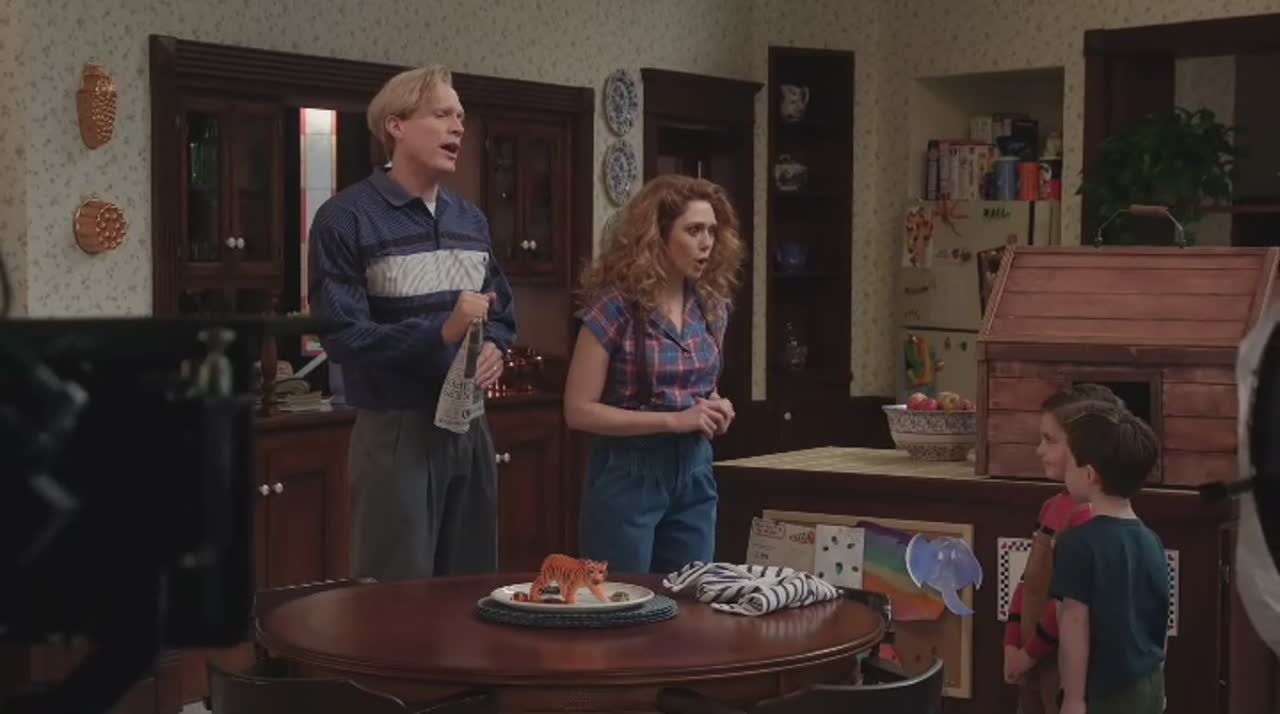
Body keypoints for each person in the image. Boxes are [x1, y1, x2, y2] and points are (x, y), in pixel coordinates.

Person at [307, 64, 516, 581]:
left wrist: (497, 345)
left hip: (471, 425)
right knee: (394, 598)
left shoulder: (471, 220)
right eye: (442, 114)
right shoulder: (346, 217)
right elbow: (342, 336)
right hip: (396, 429)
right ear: (396, 126)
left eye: (460, 117)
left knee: (471, 590)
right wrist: (441, 332)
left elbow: (501, 313)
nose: (458, 127)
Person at [564, 174, 745, 575]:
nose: (706, 243)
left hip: (695, 471)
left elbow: (701, 386)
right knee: (623, 599)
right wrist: (674, 420)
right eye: (693, 230)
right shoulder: (614, 309)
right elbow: (578, 411)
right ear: (656, 237)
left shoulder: (712, 307)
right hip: (629, 473)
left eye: (712, 231)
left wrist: (716, 406)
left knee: (690, 599)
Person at [1004, 384, 1125, 714]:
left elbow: (1068, 606)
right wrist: (1011, 642)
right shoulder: (1051, 507)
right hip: (1032, 663)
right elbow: (1028, 582)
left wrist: (1028, 654)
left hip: (1061, 669)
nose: (1039, 450)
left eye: (1050, 440)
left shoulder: (1087, 517)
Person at [1049, 399, 1168, 714]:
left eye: (1070, 462)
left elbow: (1074, 623)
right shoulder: (1152, 540)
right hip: (1150, 683)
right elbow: (1159, 618)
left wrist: (1073, 699)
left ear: (1090, 474)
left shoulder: (1077, 544)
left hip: (1105, 691)